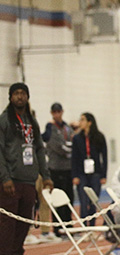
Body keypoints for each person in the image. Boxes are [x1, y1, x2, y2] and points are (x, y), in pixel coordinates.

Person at [0, 83, 53, 255]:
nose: (20, 97)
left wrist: (45, 176)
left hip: (29, 180)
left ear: (28, 97)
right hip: (10, 181)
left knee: (23, 224)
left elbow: (39, 149)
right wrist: (5, 178)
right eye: (16, 93)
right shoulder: (4, 120)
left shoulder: (32, 122)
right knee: (7, 224)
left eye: (23, 93)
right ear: (10, 97)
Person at [42, 102, 73, 237]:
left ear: (62, 111)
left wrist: (68, 147)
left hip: (68, 168)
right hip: (55, 168)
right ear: (51, 113)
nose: (57, 114)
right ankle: (57, 227)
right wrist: (68, 148)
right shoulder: (50, 127)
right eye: (54, 112)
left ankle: (68, 225)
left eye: (59, 111)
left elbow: (72, 142)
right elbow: (56, 145)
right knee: (57, 198)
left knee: (68, 197)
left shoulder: (67, 127)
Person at [71, 111, 108, 221]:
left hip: (96, 173)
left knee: (93, 201)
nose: (80, 122)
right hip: (81, 173)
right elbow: (74, 158)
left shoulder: (99, 137)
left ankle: (91, 226)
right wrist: (75, 176)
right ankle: (83, 226)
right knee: (83, 200)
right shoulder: (77, 138)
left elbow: (104, 157)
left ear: (89, 122)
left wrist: (103, 175)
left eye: (82, 120)